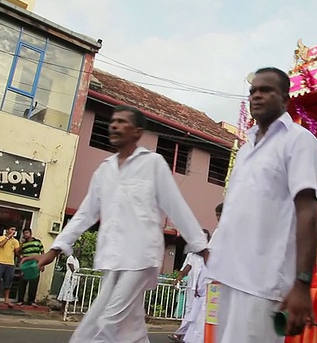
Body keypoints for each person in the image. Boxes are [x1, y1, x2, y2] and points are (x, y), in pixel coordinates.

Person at [21, 105, 209, 343]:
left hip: (141, 258)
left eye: (122, 122)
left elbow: (177, 207)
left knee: (105, 323)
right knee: (130, 331)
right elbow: (84, 215)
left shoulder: (153, 164)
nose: (114, 125)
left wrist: (202, 249)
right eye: (113, 121)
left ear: (137, 132)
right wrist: (53, 251)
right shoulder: (104, 171)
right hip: (113, 259)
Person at [207, 67, 317, 342]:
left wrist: (302, 283)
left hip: (264, 282)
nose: (256, 96)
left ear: (285, 98)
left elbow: (307, 210)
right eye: (252, 91)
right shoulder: (247, 148)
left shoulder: (299, 141)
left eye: (266, 90)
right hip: (230, 276)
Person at [170, 229, 212, 342]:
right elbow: (186, 269)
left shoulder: (209, 256)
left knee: (199, 315)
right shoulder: (192, 255)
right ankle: (185, 336)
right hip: (192, 289)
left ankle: (183, 335)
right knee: (190, 312)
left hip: (205, 291)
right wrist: (179, 277)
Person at [16, 228, 45, 307]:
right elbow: (17, 252)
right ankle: (20, 300)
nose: (26, 235)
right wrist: (21, 245)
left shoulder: (37, 242)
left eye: (27, 233)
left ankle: (31, 301)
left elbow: (42, 253)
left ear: (31, 233)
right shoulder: (23, 244)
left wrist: (42, 264)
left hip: (35, 264)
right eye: (24, 233)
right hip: (26, 265)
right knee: (22, 282)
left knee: (34, 283)